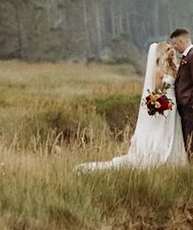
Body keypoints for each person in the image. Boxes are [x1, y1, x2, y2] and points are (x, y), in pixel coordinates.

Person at [76, 40, 186, 171]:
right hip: (166, 105)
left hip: (175, 107)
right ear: (162, 53)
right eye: (168, 50)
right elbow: (156, 92)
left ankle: (174, 160)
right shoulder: (158, 71)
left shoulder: (174, 68)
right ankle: (158, 157)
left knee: (174, 131)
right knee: (161, 133)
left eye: (171, 48)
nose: (171, 51)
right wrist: (162, 103)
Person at [169, 27, 193, 159]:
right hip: (187, 107)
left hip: (192, 108)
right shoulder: (187, 56)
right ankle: (190, 166)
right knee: (188, 141)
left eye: (175, 43)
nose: (174, 46)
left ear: (181, 41)